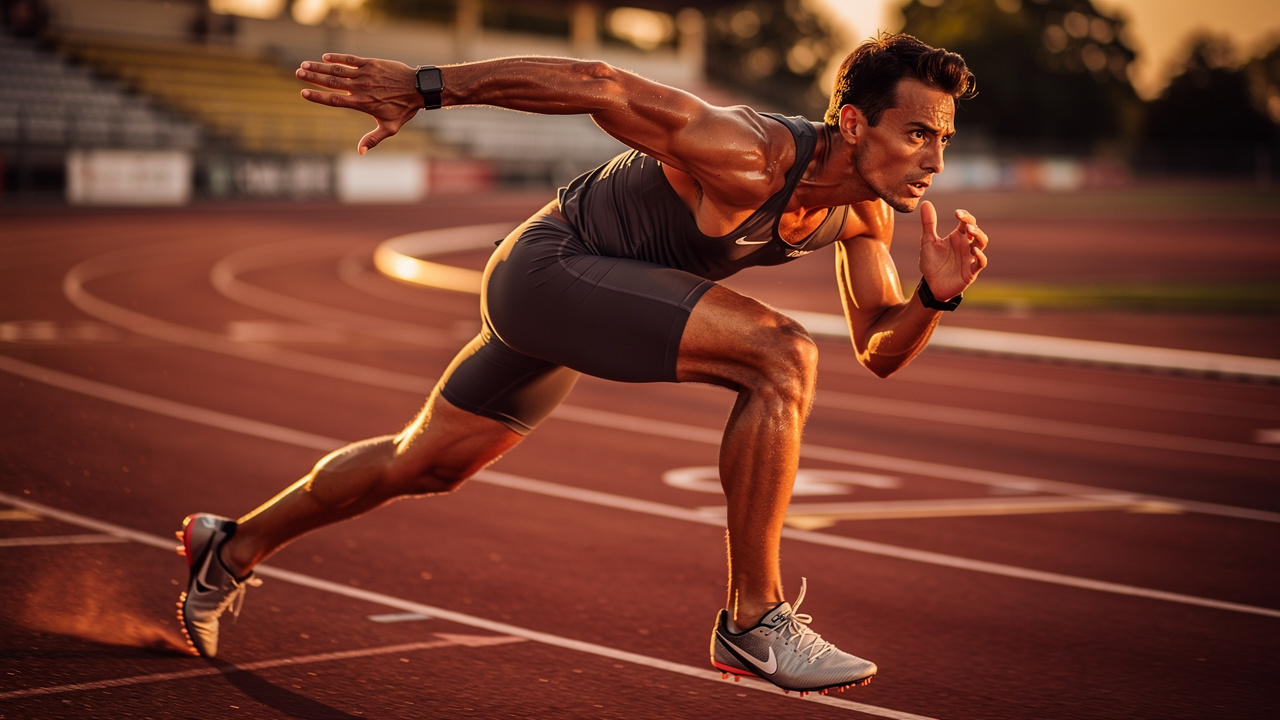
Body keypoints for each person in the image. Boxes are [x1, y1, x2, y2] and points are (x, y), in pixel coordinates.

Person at [177, 32, 987, 694]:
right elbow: (599, 82)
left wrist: (934, 299)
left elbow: (880, 346)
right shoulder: (752, 154)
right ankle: (753, 622)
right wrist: (424, 85)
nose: (935, 162)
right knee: (781, 355)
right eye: (918, 134)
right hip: (547, 269)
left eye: (943, 139)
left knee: (422, 462)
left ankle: (232, 544)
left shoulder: (863, 218)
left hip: (587, 298)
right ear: (853, 125)